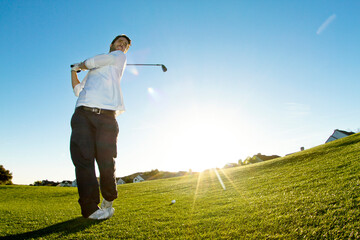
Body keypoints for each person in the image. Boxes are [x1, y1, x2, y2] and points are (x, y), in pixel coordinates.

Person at [70, 34, 131, 220]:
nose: (122, 45)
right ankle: (89, 209)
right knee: (83, 161)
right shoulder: (94, 71)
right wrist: (73, 71)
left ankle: (108, 201)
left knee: (106, 161)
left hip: (106, 116)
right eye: (119, 42)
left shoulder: (118, 57)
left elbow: (93, 60)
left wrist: (80, 64)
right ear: (111, 44)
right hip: (83, 114)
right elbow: (77, 90)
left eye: (125, 45)